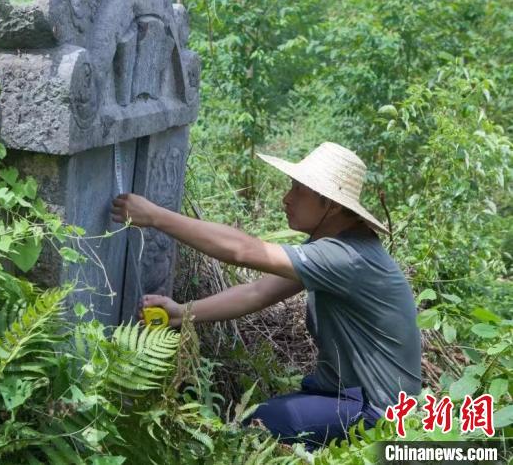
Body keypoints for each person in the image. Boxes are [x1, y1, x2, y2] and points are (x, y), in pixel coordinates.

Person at [110, 142, 421, 448]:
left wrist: (154, 216)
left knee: (257, 425)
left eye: (299, 189)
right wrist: (181, 313)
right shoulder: (339, 249)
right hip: (345, 396)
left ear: (333, 204)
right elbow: (257, 292)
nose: (287, 198)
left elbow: (243, 250)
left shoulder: (346, 258)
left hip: (377, 413)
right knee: (265, 420)